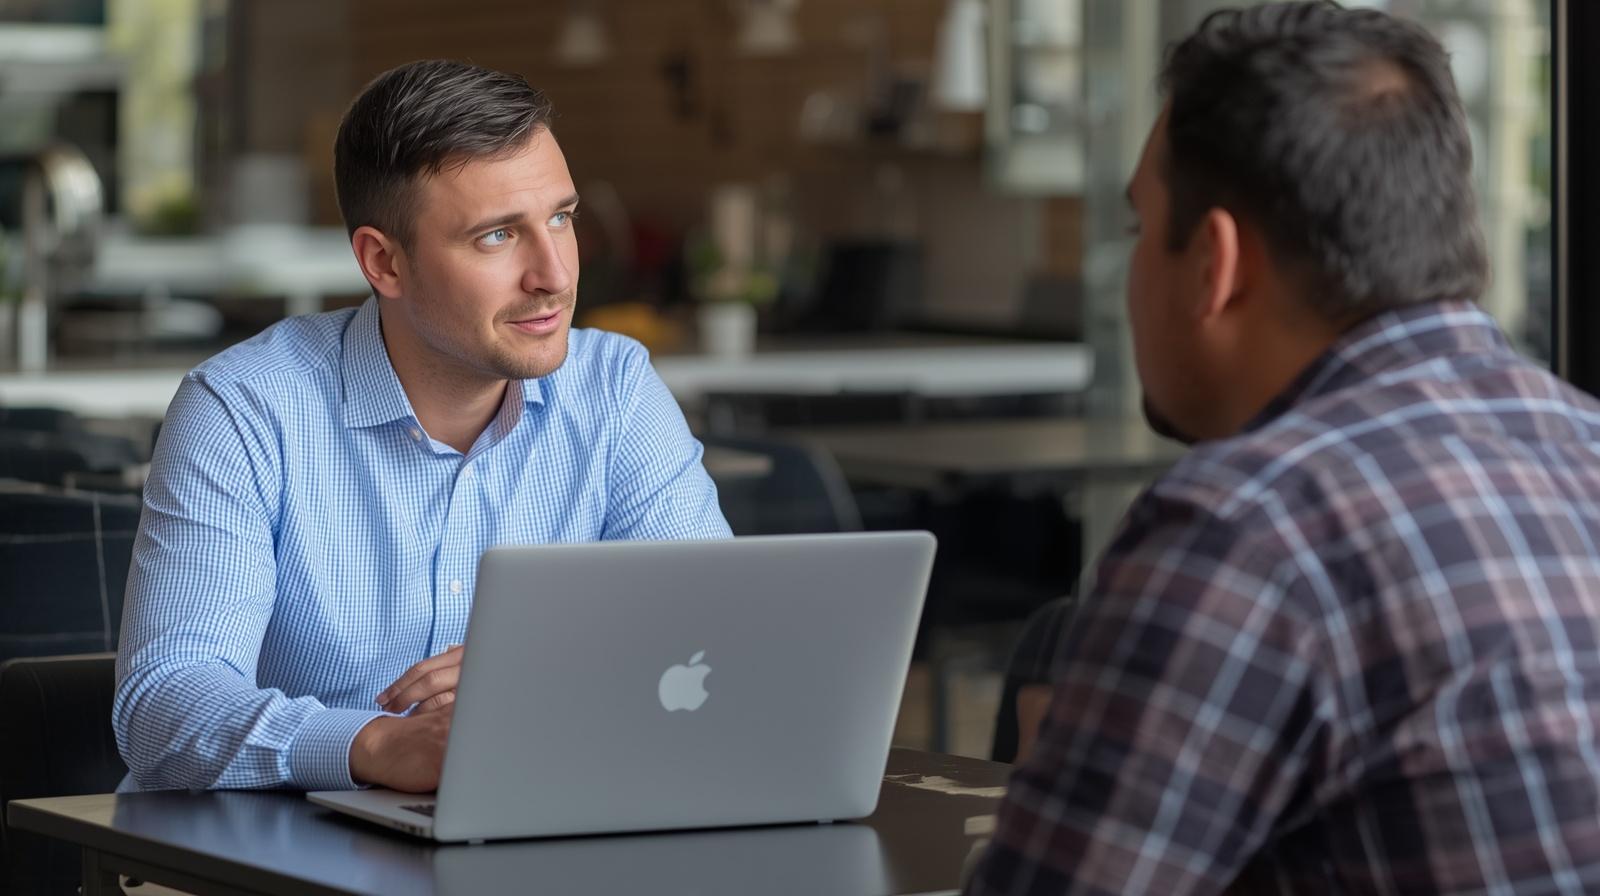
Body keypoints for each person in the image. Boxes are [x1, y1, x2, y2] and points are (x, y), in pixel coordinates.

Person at [968, 3, 1600, 893]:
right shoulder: (1584, 443)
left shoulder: (1243, 531)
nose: (1134, 270)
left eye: (1141, 230)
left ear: (1214, 266)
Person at [113, 60, 730, 794]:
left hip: (551, 822)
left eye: (560, 219)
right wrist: (378, 745)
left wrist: (550, 664)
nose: (556, 276)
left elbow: (716, 638)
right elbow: (164, 706)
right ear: (385, 261)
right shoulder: (246, 409)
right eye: (498, 236)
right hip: (287, 846)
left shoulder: (616, 389)